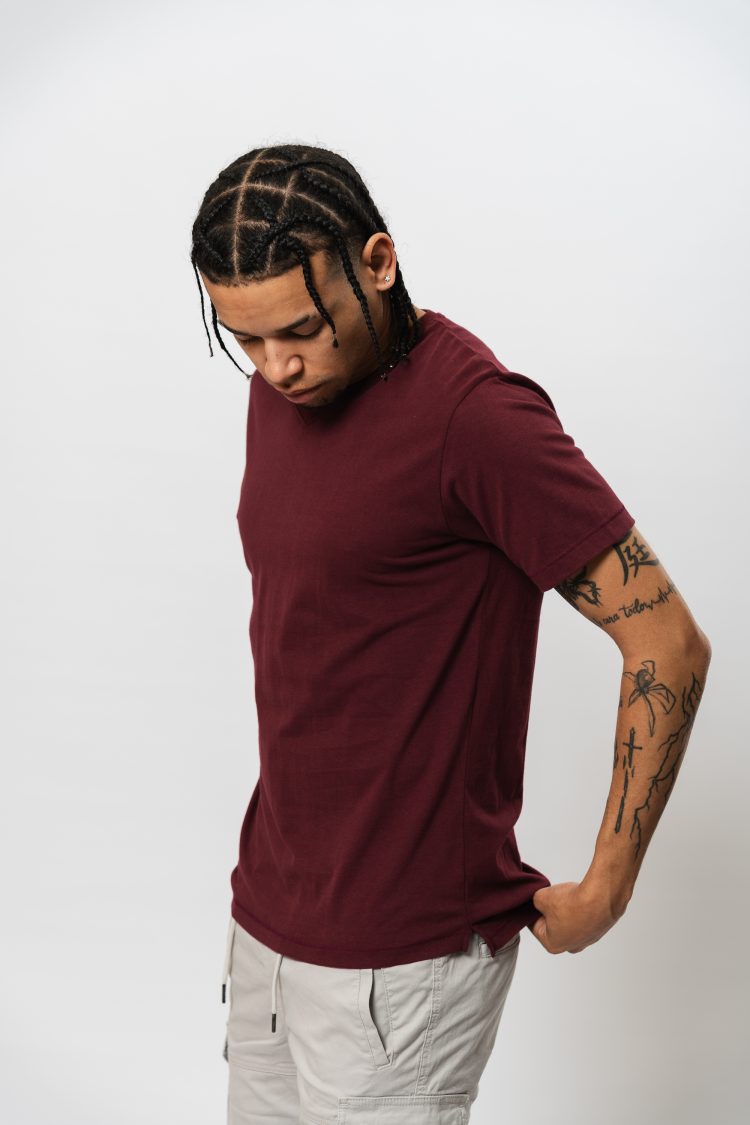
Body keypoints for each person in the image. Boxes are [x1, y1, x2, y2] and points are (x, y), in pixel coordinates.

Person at [189, 143, 712, 1124]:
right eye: (245, 339)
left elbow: (668, 641)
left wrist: (606, 886)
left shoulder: (477, 420)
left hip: (404, 963)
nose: (277, 366)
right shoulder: (282, 386)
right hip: (269, 919)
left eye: (299, 329)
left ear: (379, 262)